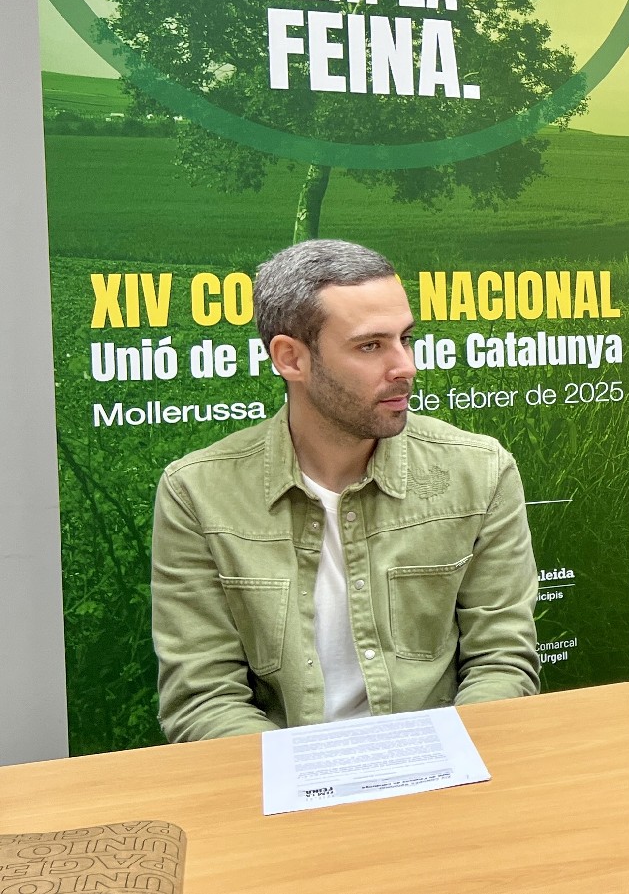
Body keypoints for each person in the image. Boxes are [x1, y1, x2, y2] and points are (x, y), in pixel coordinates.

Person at [151, 240, 539, 742]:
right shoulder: (197, 493)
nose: (406, 366)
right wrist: (309, 776)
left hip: (445, 762)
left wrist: (442, 763)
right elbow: (204, 697)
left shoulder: (480, 472)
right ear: (291, 358)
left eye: (406, 339)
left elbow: (501, 663)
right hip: (277, 774)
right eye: (370, 346)